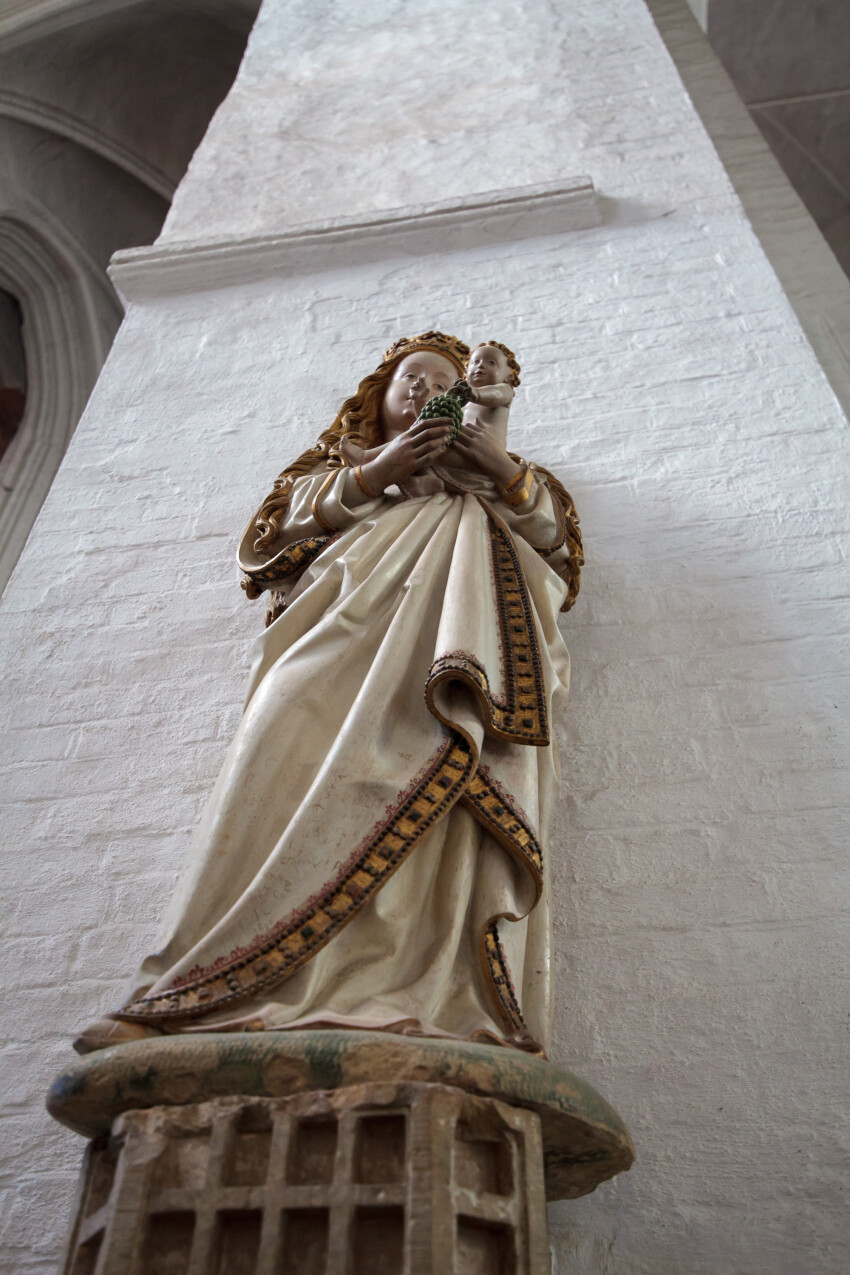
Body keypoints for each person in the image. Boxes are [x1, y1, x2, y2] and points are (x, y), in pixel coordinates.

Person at [74, 331, 583, 1058]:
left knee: (438, 822)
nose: (424, 387)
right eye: (411, 376)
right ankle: (190, 986)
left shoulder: (502, 479)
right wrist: (375, 475)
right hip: (329, 652)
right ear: (374, 398)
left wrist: (497, 468)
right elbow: (264, 547)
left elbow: (559, 548)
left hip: (451, 667)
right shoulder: (330, 474)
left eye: (444, 379)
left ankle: (426, 998)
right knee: (270, 777)